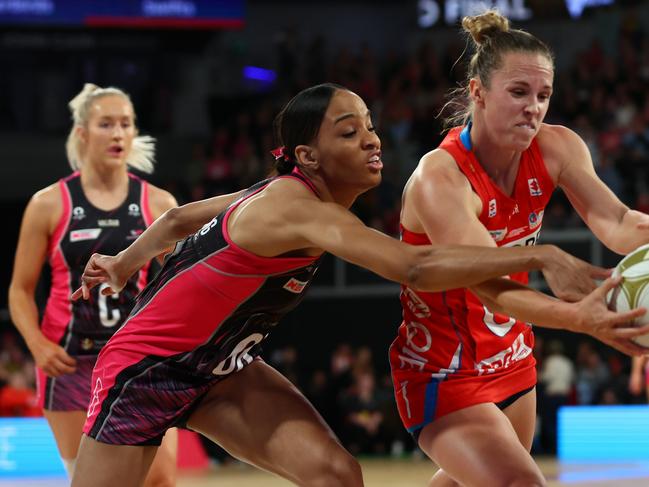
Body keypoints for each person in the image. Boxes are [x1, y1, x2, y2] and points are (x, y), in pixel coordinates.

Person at [70, 83, 643, 487]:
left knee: (337, 476)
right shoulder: (300, 212)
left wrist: (123, 263)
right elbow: (416, 268)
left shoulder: (283, 193)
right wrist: (540, 253)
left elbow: (176, 219)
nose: (372, 141)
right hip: (146, 371)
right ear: (307, 157)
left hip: (222, 370)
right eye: (350, 133)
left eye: (370, 126)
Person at [389, 11, 649, 487]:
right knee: (520, 484)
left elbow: (619, 223)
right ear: (477, 93)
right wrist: (582, 319)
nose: (534, 107)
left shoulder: (557, 148)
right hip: (443, 369)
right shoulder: (440, 178)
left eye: (543, 95)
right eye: (518, 93)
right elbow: (491, 289)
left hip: (512, 355)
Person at [8, 83, 178, 484]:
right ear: (83, 133)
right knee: (88, 480)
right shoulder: (48, 203)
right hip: (68, 360)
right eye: (106, 124)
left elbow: (178, 287)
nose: (118, 133)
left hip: (138, 360)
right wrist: (37, 345)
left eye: (126, 124)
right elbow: (19, 289)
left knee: (161, 478)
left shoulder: (159, 204)